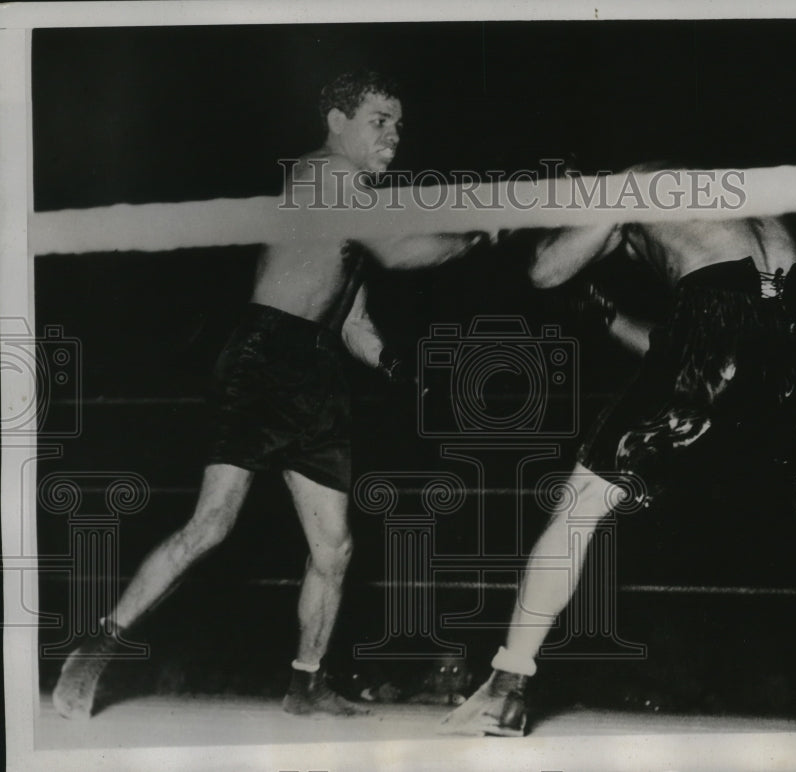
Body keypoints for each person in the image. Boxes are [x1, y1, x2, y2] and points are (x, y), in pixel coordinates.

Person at [440, 188, 796, 736]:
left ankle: (505, 691)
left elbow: (545, 270)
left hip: (715, 322)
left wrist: (510, 238)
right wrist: (606, 315)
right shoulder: (740, 196)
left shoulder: (628, 184)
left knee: (579, 508)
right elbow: (715, 340)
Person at [53, 69, 486, 720]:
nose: (394, 134)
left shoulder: (354, 201)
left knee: (334, 548)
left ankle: (306, 683)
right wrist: (484, 234)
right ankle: (97, 646)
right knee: (211, 525)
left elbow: (352, 322)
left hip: (313, 367)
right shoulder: (326, 174)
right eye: (379, 120)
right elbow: (403, 251)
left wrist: (399, 365)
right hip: (264, 355)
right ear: (338, 124)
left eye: (399, 123)